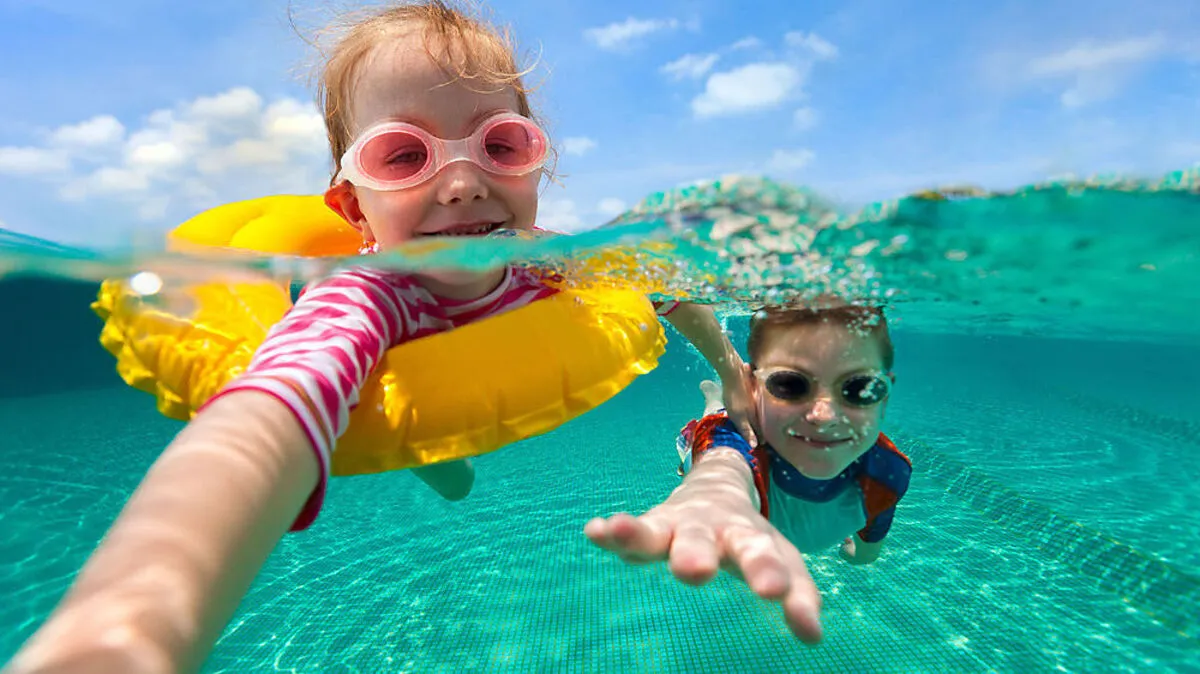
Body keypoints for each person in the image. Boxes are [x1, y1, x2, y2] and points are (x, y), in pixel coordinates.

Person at [5, 3, 756, 672]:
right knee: (421, 439)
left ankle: (440, 452)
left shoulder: (553, 261)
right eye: (404, 156)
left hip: (468, 374)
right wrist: (125, 631)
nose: (463, 182)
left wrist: (731, 371)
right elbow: (268, 408)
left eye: (500, 145)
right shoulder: (360, 295)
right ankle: (429, 456)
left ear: (539, 167)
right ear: (352, 208)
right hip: (384, 371)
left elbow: (664, 288)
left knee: (452, 440)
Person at [585, 304, 911, 644]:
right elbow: (722, 469)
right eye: (789, 384)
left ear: (885, 397)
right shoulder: (733, 440)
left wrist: (859, 556)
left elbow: (870, 546)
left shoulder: (888, 472)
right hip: (723, 431)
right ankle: (713, 403)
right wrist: (711, 495)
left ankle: (721, 399)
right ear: (753, 387)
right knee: (700, 445)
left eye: (859, 389)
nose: (823, 416)